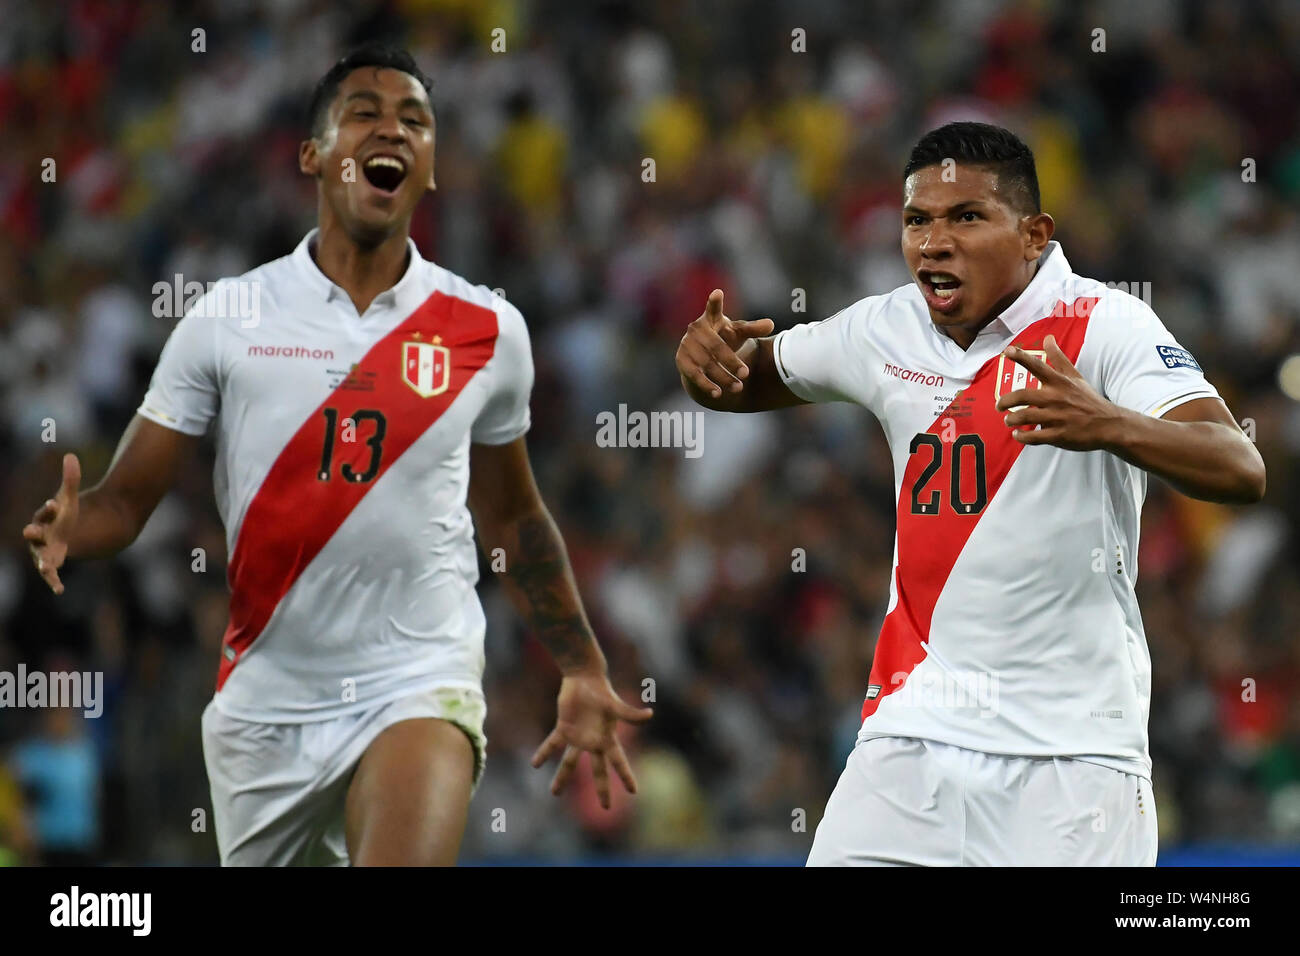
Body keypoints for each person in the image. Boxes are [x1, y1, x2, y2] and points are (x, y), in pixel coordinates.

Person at [22, 43, 651, 866]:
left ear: (428, 169)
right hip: (265, 707)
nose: (392, 128)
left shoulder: (489, 330)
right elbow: (124, 501)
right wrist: (75, 525)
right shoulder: (229, 316)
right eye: (365, 112)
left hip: (416, 678)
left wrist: (580, 663)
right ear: (314, 155)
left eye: (415, 121)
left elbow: (512, 514)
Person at [675, 121, 1265, 866]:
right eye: (917, 220)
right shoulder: (885, 328)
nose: (933, 241)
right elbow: (744, 378)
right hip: (909, 745)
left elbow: (1238, 465)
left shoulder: (1105, 325)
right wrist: (702, 366)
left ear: (1033, 235)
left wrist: (1109, 423)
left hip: (1073, 764)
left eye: (966, 217)